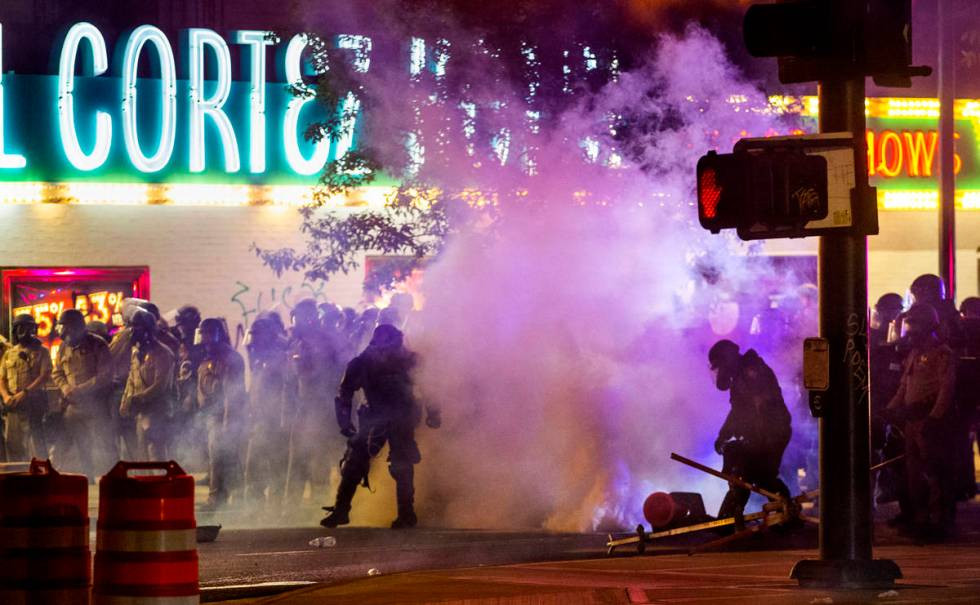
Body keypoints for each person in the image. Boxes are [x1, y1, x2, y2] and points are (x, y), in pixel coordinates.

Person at [321, 324, 440, 529]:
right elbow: (345, 392)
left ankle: (406, 513)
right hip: (374, 416)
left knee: (401, 465)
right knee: (354, 462)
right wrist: (345, 422)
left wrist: (433, 413)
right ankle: (341, 510)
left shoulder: (410, 361)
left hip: (402, 417)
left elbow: (429, 387)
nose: (388, 352)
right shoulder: (362, 362)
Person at [885, 303, 957, 540]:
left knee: (933, 473)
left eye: (914, 324)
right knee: (914, 473)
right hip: (912, 420)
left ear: (927, 325)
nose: (910, 330)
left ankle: (938, 522)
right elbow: (905, 386)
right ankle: (920, 520)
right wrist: (890, 410)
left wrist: (934, 419)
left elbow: (946, 389)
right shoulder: (915, 354)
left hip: (930, 421)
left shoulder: (942, 353)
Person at [708, 339, 792, 522]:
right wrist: (723, 435)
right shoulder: (741, 376)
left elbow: (761, 407)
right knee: (754, 476)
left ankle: (784, 513)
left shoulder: (752, 371)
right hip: (765, 434)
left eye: (720, 365)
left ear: (728, 359)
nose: (720, 371)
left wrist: (760, 438)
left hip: (773, 433)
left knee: (759, 474)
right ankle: (782, 514)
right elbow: (737, 412)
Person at [283, 299, 345, 508]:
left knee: (318, 455)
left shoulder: (326, 343)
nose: (295, 323)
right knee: (297, 454)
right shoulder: (296, 343)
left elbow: (329, 377)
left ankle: (319, 502)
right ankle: (293, 504)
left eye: (299, 318)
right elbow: (291, 380)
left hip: (321, 408)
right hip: (302, 407)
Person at [50, 309, 110, 478]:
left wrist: (82, 389)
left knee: (102, 445)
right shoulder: (63, 347)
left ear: (76, 327)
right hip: (73, 406)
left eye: (66, 327)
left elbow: (106, 375)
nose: (63, 332)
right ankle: (87, 480)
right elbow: (57, 372)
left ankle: (106, 481)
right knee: (80, 446)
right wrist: (65, 388)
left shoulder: (97, 344)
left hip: (95, 405)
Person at [196, 318, 246, 508]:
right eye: (203, 334)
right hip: (212, 416)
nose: (205, 338)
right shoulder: (210, 358)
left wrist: (227, 422)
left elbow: (231, 395)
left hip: (226, 417)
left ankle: (220, 498)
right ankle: (226, 497)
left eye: (209, 333)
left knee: (225, 458)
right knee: (217, 457)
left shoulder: (230, 359)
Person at [243, 315, 289, 508]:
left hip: (274, 421)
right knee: (254, 465)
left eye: (258, 336)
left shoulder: (279, 357)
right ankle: (257, 504)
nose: (254, 340)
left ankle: (275, 505)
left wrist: (281, 419)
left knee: (276, 464)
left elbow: (286, 390)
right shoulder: (259, 357)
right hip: (259, 419)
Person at [120, 309, 174, 460]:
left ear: (148, 330)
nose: (133, 331)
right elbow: (132, 379)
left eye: (137, 327)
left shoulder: (163, 353)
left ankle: (161, 482)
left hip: (157, 410)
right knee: (141, 455)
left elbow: (161, 384)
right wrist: (125, 402)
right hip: (141, 411)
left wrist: (138, 398)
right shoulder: (136, 352)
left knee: (155, 452)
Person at [0, 314, 52, 461]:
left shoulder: (42, 351)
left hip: (33, 404)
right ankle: (16, 478)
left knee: (37, 445)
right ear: (15, 330)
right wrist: (6, 396)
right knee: (13, 444)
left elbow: (44, 376)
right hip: (13, 405)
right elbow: (1, 379)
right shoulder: (9, 353)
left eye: (29, 327)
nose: (25, 332)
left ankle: (42, 478)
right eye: (21, 328)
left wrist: (25, 393)